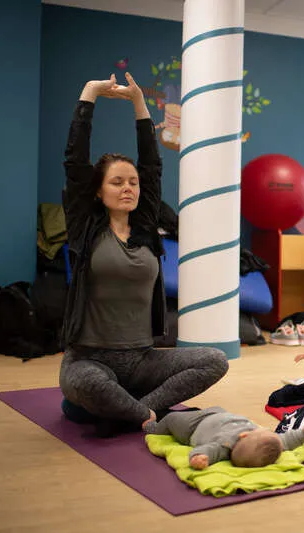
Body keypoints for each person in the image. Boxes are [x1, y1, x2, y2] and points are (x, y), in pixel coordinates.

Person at [58, 73, 229, 435]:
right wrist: (89, 93)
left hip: (141, 361)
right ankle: (137, 411)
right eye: (117, 182)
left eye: (132, 182)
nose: (128, 188)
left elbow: (152, 165)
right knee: (89, 385)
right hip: (89, 358)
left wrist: (139, 103)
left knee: (214, 360)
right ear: (98, 191)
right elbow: (75, 163)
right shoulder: (86, 228)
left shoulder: (146, 228)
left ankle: (138, 412)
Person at [145, 407, 304, 469]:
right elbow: (288, 441)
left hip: (193, 426)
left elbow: (207, 451)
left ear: (244, 436)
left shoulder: (223, 446)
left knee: (171, 419)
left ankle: (152, 427)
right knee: (214, 409)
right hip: (221, 415)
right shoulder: (272, 443)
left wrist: (198, 458)